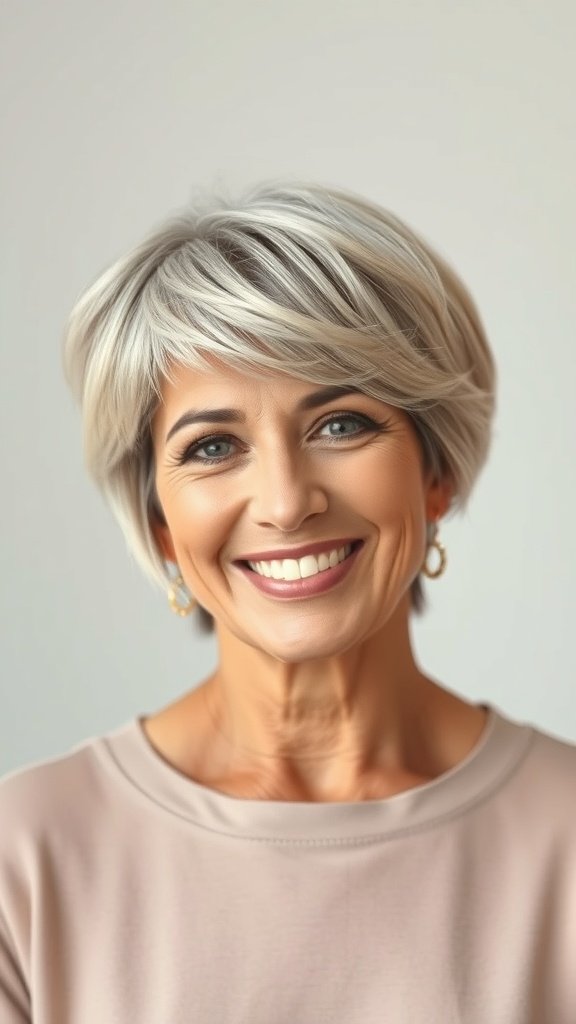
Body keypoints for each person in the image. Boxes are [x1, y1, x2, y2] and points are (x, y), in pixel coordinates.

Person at [1, 182, 575, 1023]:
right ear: (161, 521)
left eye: (340, 425)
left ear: (436, 474)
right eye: (214, 446)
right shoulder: (25, 863)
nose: (284, 500)